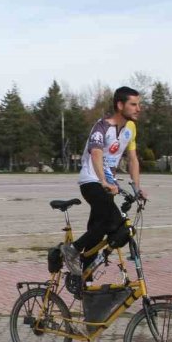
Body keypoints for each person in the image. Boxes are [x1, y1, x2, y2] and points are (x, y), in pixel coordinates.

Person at [61, 87, 145, 275]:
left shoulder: (130, 128)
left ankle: (86, 274)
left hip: (107, 183)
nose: (138, 108)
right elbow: (96, 153)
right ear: (120, 105)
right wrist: (103, 181)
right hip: (91, 181)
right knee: (113, 223)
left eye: (139, 104)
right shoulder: (102, 126)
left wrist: (137, 188)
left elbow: (132, 159)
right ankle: (71, 249)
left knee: (100, 228)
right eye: (133, 104)